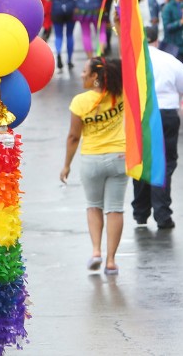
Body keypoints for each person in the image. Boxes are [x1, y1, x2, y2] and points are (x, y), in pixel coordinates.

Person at [61, 56, 127, 275]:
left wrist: (67, 165)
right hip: (119, 156)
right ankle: (111, 261)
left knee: (93, 206)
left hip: (91, 159)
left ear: (95, 77)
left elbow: (73, 137)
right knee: (115, 209)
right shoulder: (120, 94)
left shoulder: (80, 102)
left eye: (85, 72)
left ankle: (96, 251)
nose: (81, 75)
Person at [132, 29, 183, 230]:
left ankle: (141, 212)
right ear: (156, 40)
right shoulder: (169, 60)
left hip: (140, 115)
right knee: (165, 163)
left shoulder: (132, 61)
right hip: (166, 114)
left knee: (142, 162)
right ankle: (162, 214)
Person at [46, 0, 77, 74]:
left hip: (57, 8)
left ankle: (58, 54)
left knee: (58, 35)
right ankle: (69, 61)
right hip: (70, 8)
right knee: (69, 35)